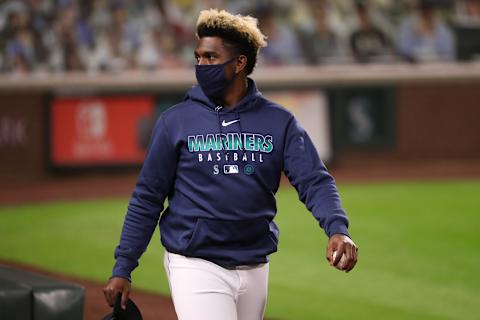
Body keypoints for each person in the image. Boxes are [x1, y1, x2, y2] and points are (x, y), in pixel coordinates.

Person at [103, 8, 358, 320]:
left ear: (240, 63)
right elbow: (148, 197)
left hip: (255, 263)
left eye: (211, 57)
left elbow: (314, 180)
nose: (201, 65)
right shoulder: (176, 121)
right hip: (195, 263)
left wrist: (337, 228)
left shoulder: (279, 122)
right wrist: (123, 267)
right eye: (198, 57)